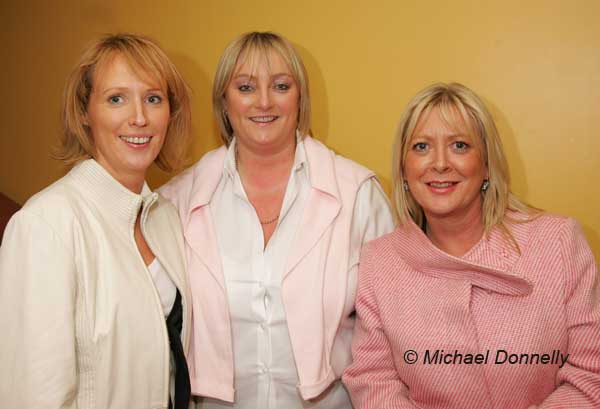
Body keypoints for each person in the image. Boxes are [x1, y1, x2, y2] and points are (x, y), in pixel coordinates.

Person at [159, 31, 394, 408]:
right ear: (224, 100)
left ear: (300, 98)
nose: (264, 102)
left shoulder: (358, 194)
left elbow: (391, 332)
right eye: (246, 87)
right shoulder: (177, 201)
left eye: (281, 86)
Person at [342, 82, 600, 408]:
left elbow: (591, 374)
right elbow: (373, 378)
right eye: (421, 147)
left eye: (460, 146)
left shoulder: (558, 242)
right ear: (404, 170)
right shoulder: (380, 261)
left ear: (488, 164)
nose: (439, 163)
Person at [0, 33, 193, 409]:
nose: (138, 118)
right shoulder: (45, 226)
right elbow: (31, 397)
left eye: (153, 99)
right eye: (116, 98)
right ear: (84, 112)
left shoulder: (165, 219)